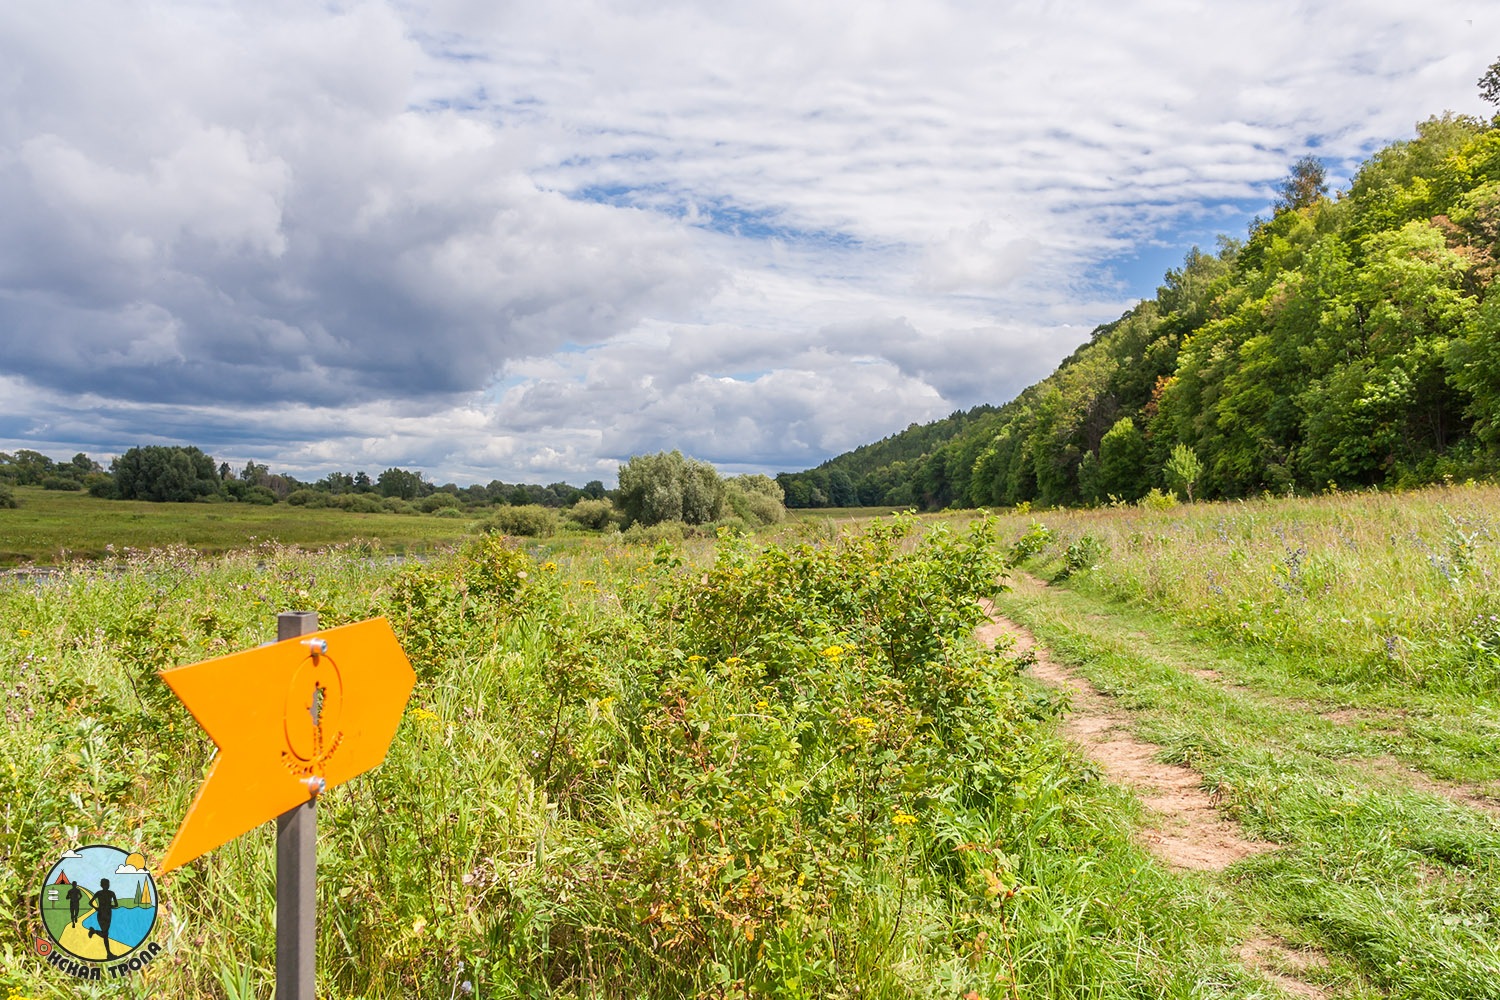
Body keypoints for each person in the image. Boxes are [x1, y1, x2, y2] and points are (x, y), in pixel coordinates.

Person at [86, 877, 118, 959]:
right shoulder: (110, 893)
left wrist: (97, 908)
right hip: (105, 913)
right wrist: (109, 906)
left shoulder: (102, 893)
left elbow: (90, 903)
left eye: (107, 884)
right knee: (105, 933)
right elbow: (116, 905)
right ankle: (108, 953)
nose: (107, 886)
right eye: (106, 884)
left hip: (103, 913)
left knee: (105, 933)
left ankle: (94, 931)